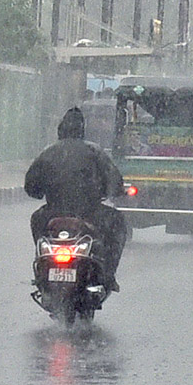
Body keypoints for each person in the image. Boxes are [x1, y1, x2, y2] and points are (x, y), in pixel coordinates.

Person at [25, 106, 128, 291]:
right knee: (118, 223)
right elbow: (114, 182)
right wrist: (115, 191)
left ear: (60, 131)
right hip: (90, 213)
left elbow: (31, 188)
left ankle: (42, 269)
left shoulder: (48, 152)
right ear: (82, 130)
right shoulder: (94, 151)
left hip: (53, 214)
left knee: (36, 220)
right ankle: (108, 275)